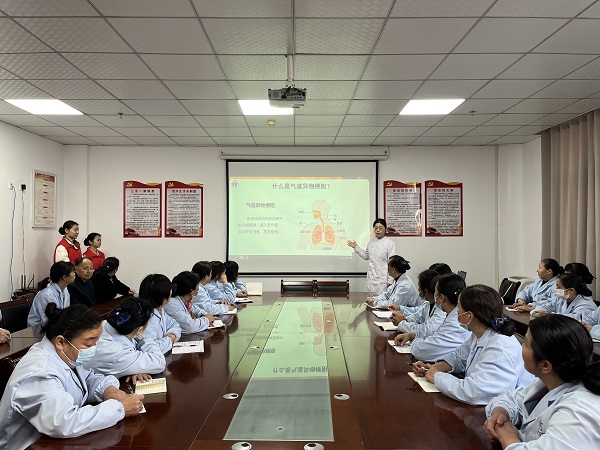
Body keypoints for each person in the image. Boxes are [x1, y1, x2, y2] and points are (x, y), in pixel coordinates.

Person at [0, 304, 144, 450]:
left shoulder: (64, 355)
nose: (94, 347)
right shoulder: (39, 372)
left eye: (96, 341)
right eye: (89, 343)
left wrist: (108, 390)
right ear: (61, 341)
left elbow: (87, 379)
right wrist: (119, 409)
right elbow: (62, 423)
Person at [484, 315, 600, 449]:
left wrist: (507, 436)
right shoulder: (550, 381)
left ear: (545, 365)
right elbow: (510, 399)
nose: (521, 345)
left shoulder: (577, 414)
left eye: (526, 342)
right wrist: (499, 414)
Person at [412, 285, 533, 405]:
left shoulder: (499, 348)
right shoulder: (480, 334)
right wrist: (435, 368)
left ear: (469, 316)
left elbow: (474, 392)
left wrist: (437, 377)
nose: (456, 311)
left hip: (509, 410)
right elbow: (458, 357)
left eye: (459, 307)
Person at [85, 297, 165, 381]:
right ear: (140, 330)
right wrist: (144, 340)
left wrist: (134, 369)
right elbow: (159, 361)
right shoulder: (118, 353)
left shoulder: (105, 325)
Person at [395, 273, 470, 361]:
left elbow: (421, 351)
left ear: (441, 298)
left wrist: (414, 340)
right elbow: (434, 336)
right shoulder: (451, 316)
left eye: (435, 292)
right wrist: (413, 335)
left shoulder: (454, 324)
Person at [347, 218, 396, 295]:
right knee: (370, 300)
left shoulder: (389, 243)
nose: (378, 230)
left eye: (380, 228)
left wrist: (390, 280)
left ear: (385, 229)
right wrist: (356, 247)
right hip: (371, 279)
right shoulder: (371, 242)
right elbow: (366, 256)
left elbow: (392, 263)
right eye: (376, 228)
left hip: (383, 280)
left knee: (381, 301)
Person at [392, 270, 445, 338]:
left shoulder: (441, 310)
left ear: (426, 291)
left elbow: (426, 331)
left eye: (419, 286)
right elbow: (417, 317)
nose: (418, 289)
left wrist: (402, 323)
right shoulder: (428, 304)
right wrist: (404, 319)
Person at [139, 273, 182, 354]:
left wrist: (172, 334)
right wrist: (169, 340)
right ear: (164, 298)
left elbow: (175, 325)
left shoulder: (160, 310)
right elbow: (150, 349)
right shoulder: (146, 319)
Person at [27, 261, 75, 326]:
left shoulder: (65, 290)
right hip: (39, 329)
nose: (74, 274)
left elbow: (65, 313)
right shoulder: (47, 295)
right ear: (64, 277)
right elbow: (47, 320)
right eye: (73, 272)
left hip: (58, 325)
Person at [531, 273, 595, 320]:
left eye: (559, 287)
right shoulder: (561, 299)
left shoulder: (586, 304)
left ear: (571, 290)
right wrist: (537, 313)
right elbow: (544, 307)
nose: (556, 289)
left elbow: (574, 319)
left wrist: (550, 316)